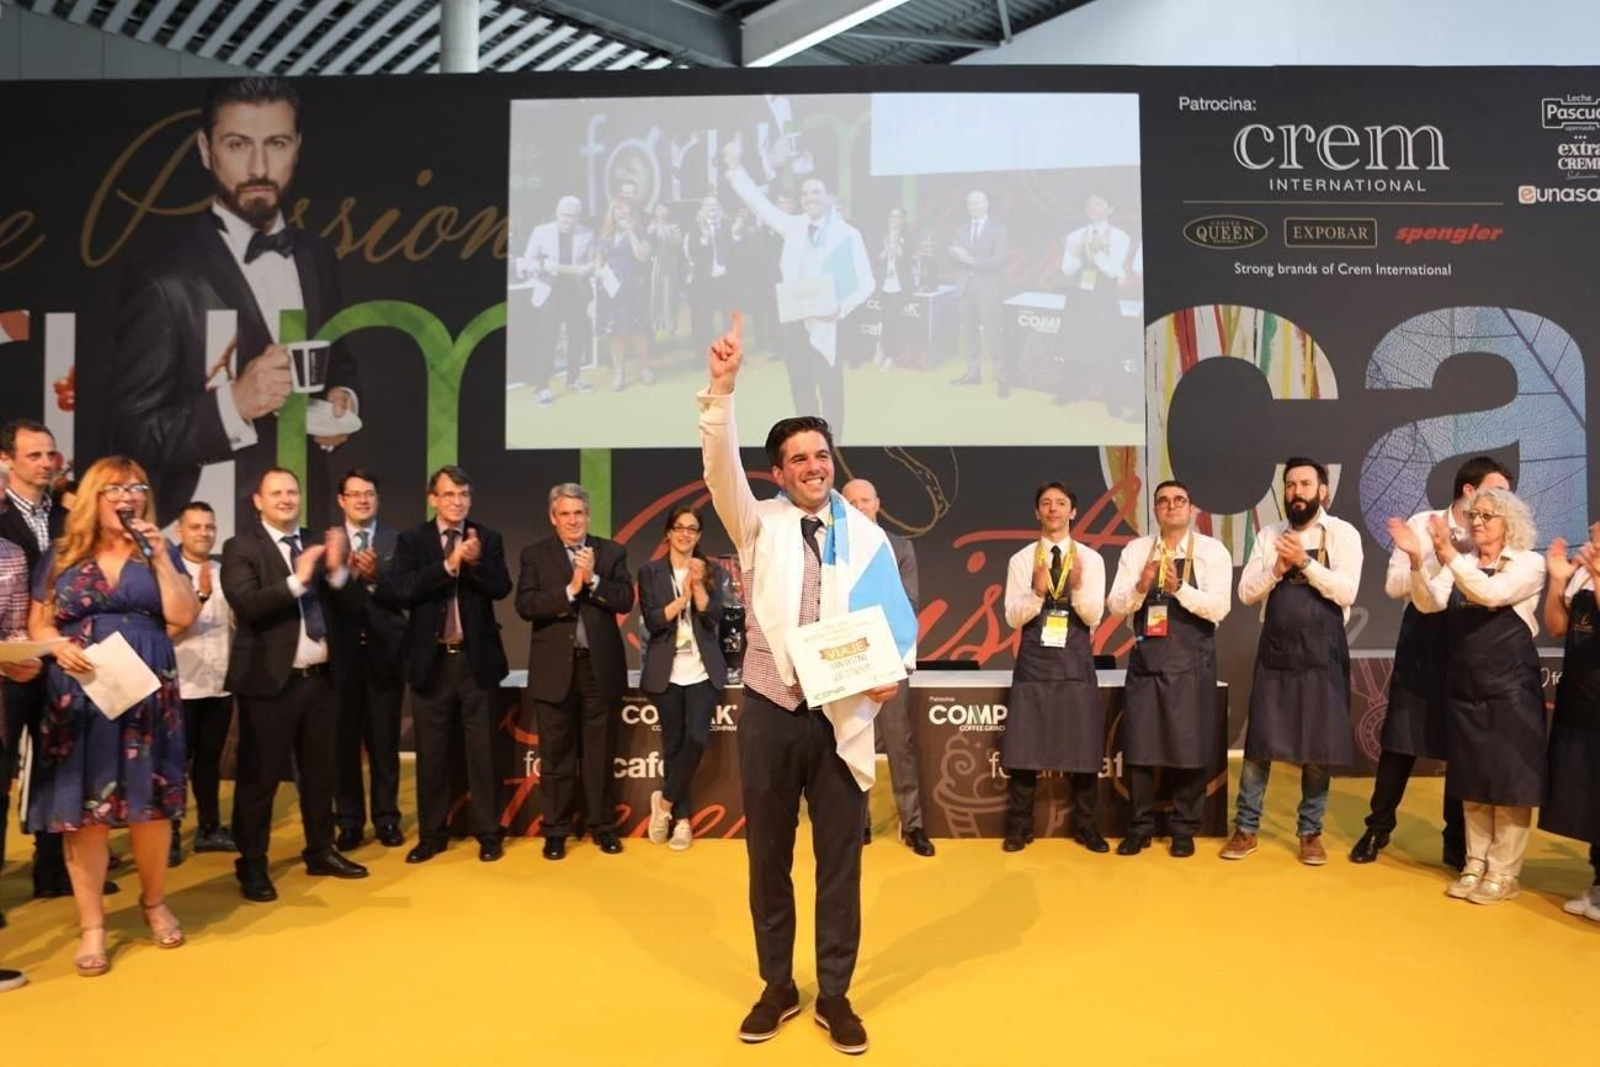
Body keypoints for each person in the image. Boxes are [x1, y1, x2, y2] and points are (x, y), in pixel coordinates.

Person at [701, 312, 916, 1055]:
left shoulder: (869, 536)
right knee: (768, 857)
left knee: (840, 863)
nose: (813, 466)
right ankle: (776, 986)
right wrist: (722, 390)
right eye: (798, 458)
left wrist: (891, 673)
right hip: (769, 708)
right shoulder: (755, 523)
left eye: (821, 454)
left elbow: (897, 627)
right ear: (778, 472)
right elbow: (717, 468)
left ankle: (834, 992)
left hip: (841, 714)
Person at [106, 77, 360, 532]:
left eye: (276, 143)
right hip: (211, 534)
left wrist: (343, 400)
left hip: (306, 525)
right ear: (206, 149)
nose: (259, 166)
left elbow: (337, 362)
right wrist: (233, 405)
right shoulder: (163, 277)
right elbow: (131, 433)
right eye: (238, 144)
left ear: (297, 148)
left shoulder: (317, 257)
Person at [26, 457, 198, 976]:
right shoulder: (62, 554)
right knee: (87, 813)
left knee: (150, 807)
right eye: (116, 489)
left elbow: (183, 616)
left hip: (147, 691)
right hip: (79, 691)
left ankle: (154, 902)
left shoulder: (159, 551)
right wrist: (57, 648)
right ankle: (92, 926)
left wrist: (163, 557)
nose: (128, 497)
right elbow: (39, 623)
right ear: (94, 496)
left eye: (137, 488)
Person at [1350, 456, 1511, 867]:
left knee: (1460, 742)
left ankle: (1455, 840)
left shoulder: (1501, 532)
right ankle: (1377, 828)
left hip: (1470, 643)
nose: (1504, 503)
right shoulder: (1423, 523)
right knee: (1400, 739)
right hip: (1422, 639)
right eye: (1497, 492)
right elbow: (1393, 586)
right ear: (1469, 491)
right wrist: (1434, 555)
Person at [221, 467, 368, 902]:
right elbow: (247, 605)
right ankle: (252, 862)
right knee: (260, 778)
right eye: (276, 493)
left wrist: (337, 572)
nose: (286, 499)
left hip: (321, 680)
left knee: (321, 773)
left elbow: (353, 608)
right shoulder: (241, 547)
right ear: (258, 501)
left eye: (291, 491)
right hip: (269, 683)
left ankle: (320, 850)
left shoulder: (315, 542)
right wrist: (298, 580)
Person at [1397, 487, 1545, 904]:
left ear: (1508, 523)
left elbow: (1491, 594)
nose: (1476, 522)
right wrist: (1416, 562)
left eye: (1486, 515)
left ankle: (1503, 872)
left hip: (1511, 687)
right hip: (1466, 686)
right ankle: (1475, 863)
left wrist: (1449, 554)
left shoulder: (1528, 563)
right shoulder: (1463, 562)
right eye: (1473, 515)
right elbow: (1429, 604)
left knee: (1508, 780)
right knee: (1472, 777)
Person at [1224, 457, 1362, 865]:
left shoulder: (1343, 534)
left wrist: (1304, 563)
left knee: (1319, 744)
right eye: (1289, 485)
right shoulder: (1269, 534)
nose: (1296, 492)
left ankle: (1310, 832)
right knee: (1260, 741)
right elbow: (1246, 593)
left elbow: (1347, 591)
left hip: (1323, 651)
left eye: (1304, 484)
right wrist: (1277, 568)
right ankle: (1246, 827)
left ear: (1323, 491)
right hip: (1277, 650)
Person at [378, 466, 512, 864]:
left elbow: (501, 587)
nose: (457, 501)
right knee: (432, 754)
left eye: (464, 494)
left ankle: (488, 832)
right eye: (449, 494)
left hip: (476, 662)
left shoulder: (487, 537)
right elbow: (400, 590)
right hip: (430, 661)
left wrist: (475, 563)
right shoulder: (412, 540)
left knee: (483, 753)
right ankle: (432, 834)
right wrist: (448, 565)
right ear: (433, 499)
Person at [0, 421, 101, 899]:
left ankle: (54, 873)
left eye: (50, 455)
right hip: (8, 668)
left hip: (63, 663)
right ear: (6, 460)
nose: (46, 463)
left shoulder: (71, 520)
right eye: (34, 455)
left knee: (59, 771)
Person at [1107, 479, 1232, 858]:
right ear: (1155, 510)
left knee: (1189, 746)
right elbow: (1115, 606)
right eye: (1163, 501)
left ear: (1191, 509)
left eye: (1179, 500)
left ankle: (1183, 829)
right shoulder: (1136, 550)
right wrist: (1141, 587)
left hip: (1192, 664)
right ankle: (1140, 827)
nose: (1171, 505)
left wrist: (1180, 589)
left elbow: (1219, 608)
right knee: (1140, 746)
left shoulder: (1212, 551)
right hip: (1147, 662)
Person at [722, 136, 874, 440]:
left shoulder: (847, 235)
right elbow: (760, 205)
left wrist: (840, 309)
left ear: (829, 197)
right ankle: (808, 442)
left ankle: (833, 447)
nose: (810, 197)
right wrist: (735, 169)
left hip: (827, 323)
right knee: (801, 386)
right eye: (805, 193)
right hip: (794, 322)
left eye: (816, 192)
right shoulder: (793, 226)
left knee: (830, 389)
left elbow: (867, 283)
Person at [515, 483, 633, 860]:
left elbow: (625, 599)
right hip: (554, 670)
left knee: (600, 753)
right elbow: (526, 605)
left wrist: (594, 579)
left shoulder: (610, 552)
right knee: (556, 755)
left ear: (588, 516)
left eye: (578, 513)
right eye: (564, 514)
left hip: (599, 668)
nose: (572, 520)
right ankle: (556, 829)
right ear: (553, 518)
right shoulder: (535, 555)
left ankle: (602, 826)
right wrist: (570, 589)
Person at [1000, 482, 1109, 854]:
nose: (1053, 509)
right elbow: (1012, 617)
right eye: (1046, 503)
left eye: (1061, 503)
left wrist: (1074, 588)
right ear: (1037, 512)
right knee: (1025, 746)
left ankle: (1087, 826)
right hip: (1034, 664)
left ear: (1072, 512)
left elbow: (1093, 616)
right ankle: (1019, 827)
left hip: (1075, 664)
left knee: (1083, 746)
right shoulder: (1021, 560)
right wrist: (1036, 592)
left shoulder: (1090, 559)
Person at [840, 478, 933, 857]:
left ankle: (913, 826)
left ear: (877, 503)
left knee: (899, 743)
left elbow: (909, 602)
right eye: (851, 501)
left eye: (865, 500)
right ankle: (856, 823)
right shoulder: (834, 547)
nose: (859, 506)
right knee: (851, 740)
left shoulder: (900, 547)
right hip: (848, 659)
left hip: (889, 656)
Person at [637, 504, 729, 852]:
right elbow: (653, 619)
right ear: (668, 533)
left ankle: (663, 804)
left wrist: (699, 587)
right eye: (679, 527)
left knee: (696, 739)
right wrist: (682, 599)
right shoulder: (650, 572)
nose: (685, 534)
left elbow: (714, 618)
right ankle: (682, 821)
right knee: (673, 746)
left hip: (702, 670)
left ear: (699, 535)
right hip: (667, 669)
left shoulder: (711, 570)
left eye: (692, 528)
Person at [331, 470, 408, 851]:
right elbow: (320, 596)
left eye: (369, 493)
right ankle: (348, 821)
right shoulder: (327, 542)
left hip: (385, 656)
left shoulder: (399, 541)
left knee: (384, 743)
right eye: (355, 494)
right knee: (343, 744)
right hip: (340, 659)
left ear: (378, 499)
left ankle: (387, 818)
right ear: (341, 500)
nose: (363, 500)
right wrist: (346, 574)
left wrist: (377, 579)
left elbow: (408, 593)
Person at [167, 501, 238, 866]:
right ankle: (169, 834)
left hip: (219, 683)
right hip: (180, 685)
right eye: (195, 527)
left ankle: (210, 829)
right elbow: (164, 630)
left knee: (210, 761)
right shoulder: (167, 574)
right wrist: (199, 598)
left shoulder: (227, 573)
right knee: (174, 763)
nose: (204, 533)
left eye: (209, 527)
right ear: (179, 530)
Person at [1541, 523, 1600, 922]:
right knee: (1588, 794)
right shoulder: (1579, 573)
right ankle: (1598, 882)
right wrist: (1557, 582)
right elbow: (1557, 626)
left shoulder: (1592, 571)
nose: (1591, 529)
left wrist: (1596, 574)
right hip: (1580, 699)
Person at [515, 194, 597, 407]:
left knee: (576, 338)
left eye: (573, 216)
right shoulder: (541, 231)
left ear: (579, 216)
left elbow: (591, 264)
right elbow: (526, 262)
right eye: (564, 215)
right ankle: (541, 387)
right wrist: (543, 267)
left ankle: (573, 378)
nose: (568, 220)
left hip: (575, 293)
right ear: (557, 213)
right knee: (548, 339)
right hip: (549, 292)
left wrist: (583, 269)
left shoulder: (587, 233)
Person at [1057, 194, 1134, 411]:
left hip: (1104, 297)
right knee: (1073, 341)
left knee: (1108, 344)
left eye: (1098, 204)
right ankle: (1069, 391)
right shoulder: (1074, 235)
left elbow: (1111, 270)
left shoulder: (1120, 236)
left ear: (1110, 209)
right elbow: (1066, 269)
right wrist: (1080, 255)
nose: (1092, 207)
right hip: (1079, 295)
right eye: (1089, 203)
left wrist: (1087, 252)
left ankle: (1114, 400)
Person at [947, 191, 1009, 393]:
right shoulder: (961, 230)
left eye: (977, 202)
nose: (973, 206)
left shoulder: (998, 230)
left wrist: (970, 259)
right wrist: (953, 254)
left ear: (986, 204)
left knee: (992, 334)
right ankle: (973, 373)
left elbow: (999, 261)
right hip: (965, 288)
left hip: (988, 290)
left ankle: (1002, 377)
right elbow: (954, 261)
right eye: (970, 203)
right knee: (970, 334)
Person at [594, 197, 655, 391]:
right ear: (612, 213)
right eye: (617, 209)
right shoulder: (605, 235)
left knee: (638, 334)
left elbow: (642, 256)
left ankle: (645, 367)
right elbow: (598, 263)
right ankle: (620, 372)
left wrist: (630, 232)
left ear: (632, 213)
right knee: (616, 334)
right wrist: (599, 272)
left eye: (625, 209)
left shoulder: (640, 232)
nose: (621, 212)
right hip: (610, 292)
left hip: (633, 291)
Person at [684, 194, 739, 357]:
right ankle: (703, 355)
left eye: (715, 204)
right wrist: (704, 239)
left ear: (719, 208)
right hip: (705, 281)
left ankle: (730, 353)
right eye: (708, 205)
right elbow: (692, 252)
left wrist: (736, 237)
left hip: (725, 279)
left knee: (729, 318)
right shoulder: (695, 228)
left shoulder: (727, 226)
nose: (712, 208)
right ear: (702, 209)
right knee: (704, 319)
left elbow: (735, 252)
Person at [646, 200, 686, 345]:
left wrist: (666, 233)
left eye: (664, 209)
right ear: (655, 211)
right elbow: (646, 244)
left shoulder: (674, 227)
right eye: (659, 209)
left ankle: (671, 329)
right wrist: (651, 231)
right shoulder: (649, 226)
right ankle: (653, 328)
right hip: (654, 267)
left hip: (670, 266)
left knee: (670, 297)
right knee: (654, 296)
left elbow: (678, 244)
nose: (662, 212)